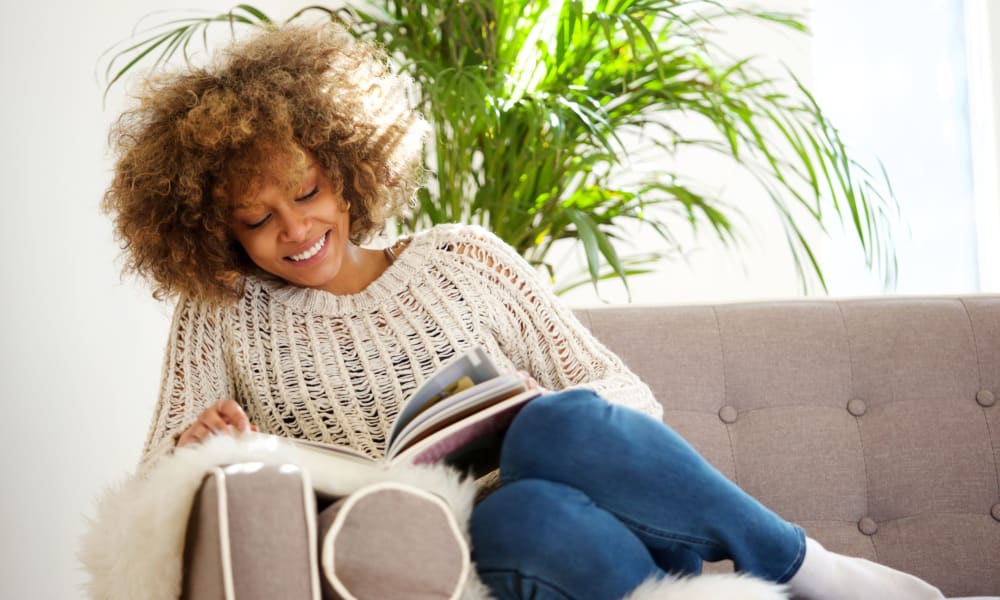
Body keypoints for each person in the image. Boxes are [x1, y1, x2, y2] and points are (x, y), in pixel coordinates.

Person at [103, 23, 944, 600]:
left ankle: (808, 567)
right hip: (466, 543)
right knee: (519, 515)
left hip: (591, 493)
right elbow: (150, 506)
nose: (296, 230)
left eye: (308, 191)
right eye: (257, 220)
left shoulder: (462, 255)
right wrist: (195, 447)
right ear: (212, 227)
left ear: (346, 162)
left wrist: (513, 431)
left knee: (554, 430)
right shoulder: (222, 313)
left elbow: (618, 393)